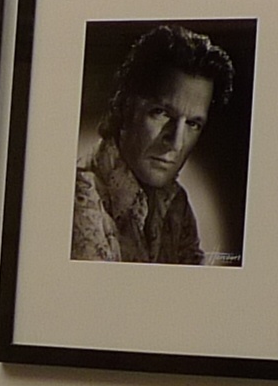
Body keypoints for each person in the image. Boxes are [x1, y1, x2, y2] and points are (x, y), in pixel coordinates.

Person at [73, 23, 232, 265]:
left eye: (193, 124)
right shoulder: (79, 200)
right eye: (161, 113)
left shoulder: (176, 205)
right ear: (125, 105)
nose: (176, 143)